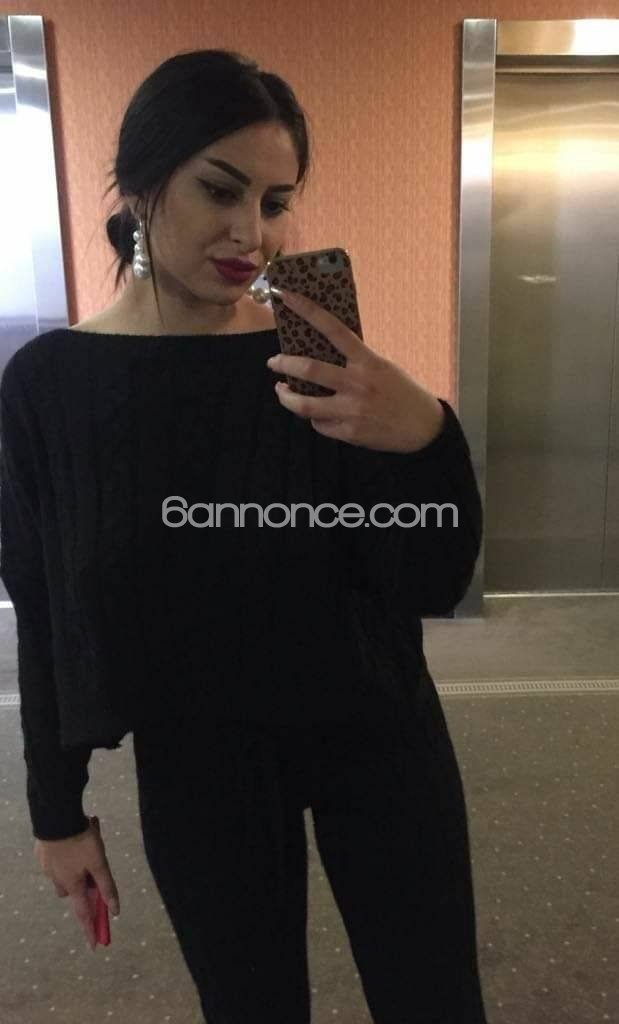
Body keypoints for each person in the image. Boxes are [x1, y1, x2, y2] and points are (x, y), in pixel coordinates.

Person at [0, 49, 488, 1024]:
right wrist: (57, 811)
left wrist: (428, 441)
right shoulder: (51, 386)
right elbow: (46, 609)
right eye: (220, 191)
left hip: (379, 731)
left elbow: (430, 576)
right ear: (142, 184)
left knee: (435, 1001)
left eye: (275, 202)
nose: (251, 234)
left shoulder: (307, 358)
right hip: (201, 761)